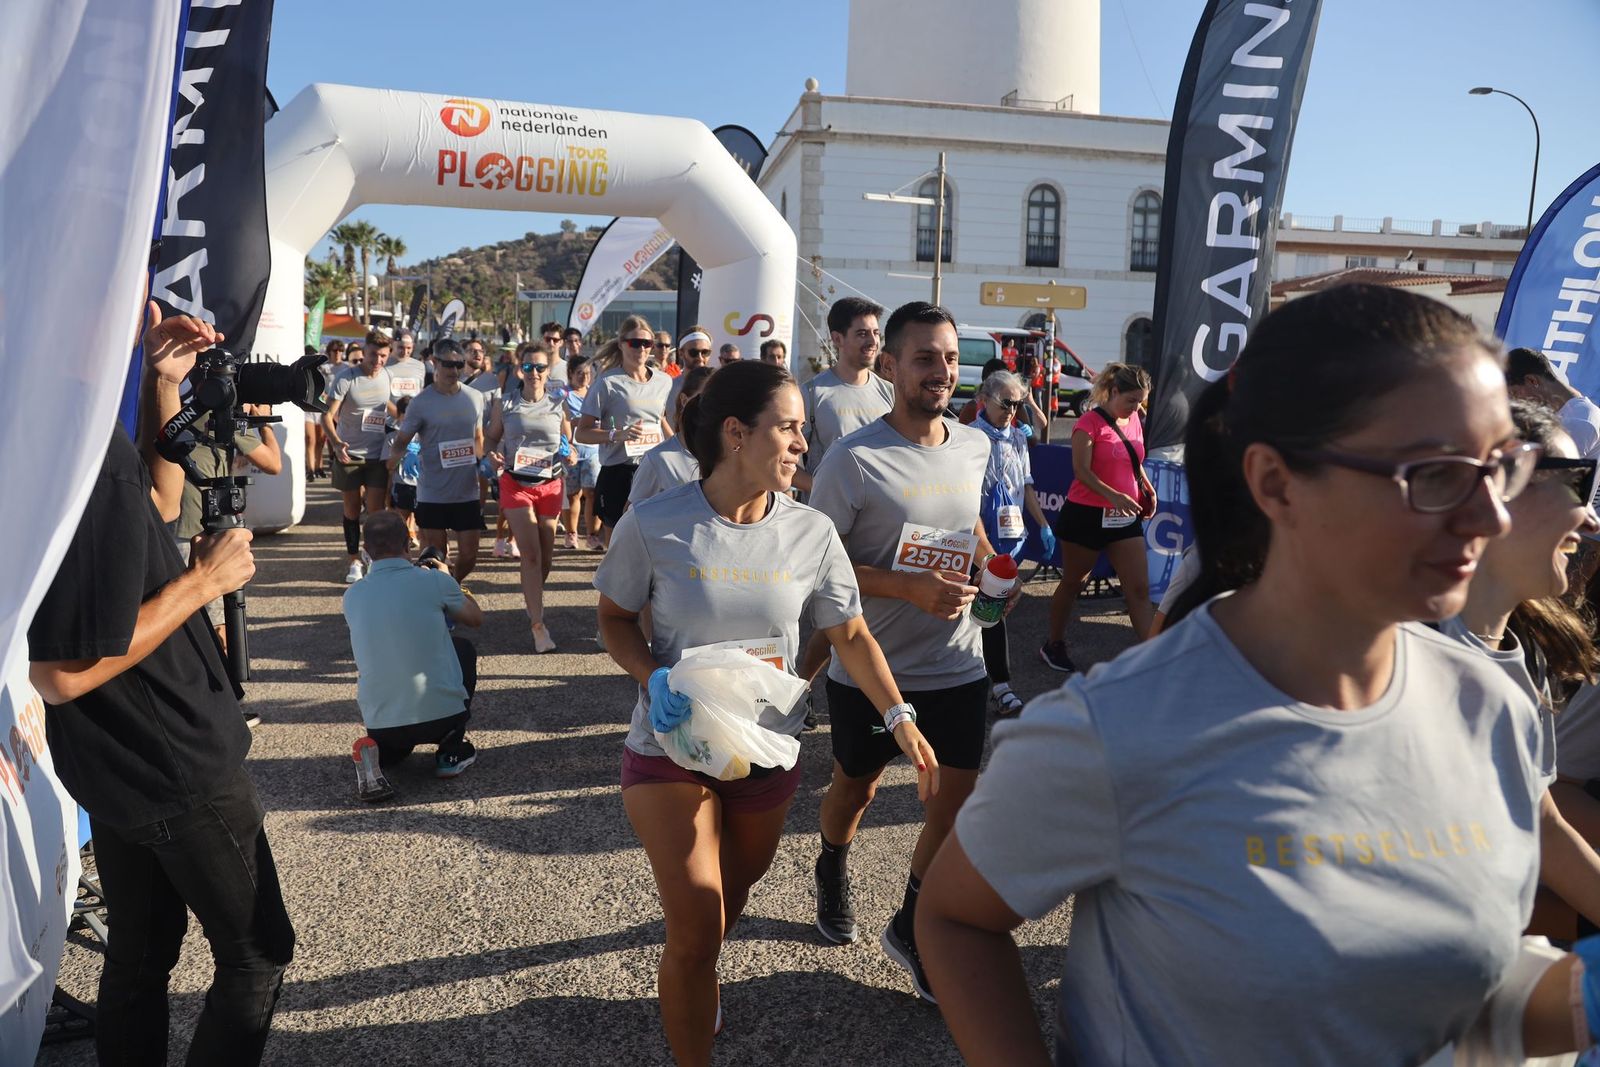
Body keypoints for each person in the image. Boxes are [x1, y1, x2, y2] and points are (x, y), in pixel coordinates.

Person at [915, 284, 1586, 1065]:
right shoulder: (1125, 728)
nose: (1491, 516)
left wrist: (1580, 996)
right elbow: (957, 916)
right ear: (1277, 483)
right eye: (1435, 474)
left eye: (1499, 468)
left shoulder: (1492, 704)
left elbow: (1459, 999)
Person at [594, 360, 935, 1066]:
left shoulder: (811, 533)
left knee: (727, 904)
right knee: (691, 926)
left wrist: (897, 714)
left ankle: (697, 976)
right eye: (789, 428)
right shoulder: (654, 523)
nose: (802, 445)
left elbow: (851, 635)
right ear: (735, 433)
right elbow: (614, 618)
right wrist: (650, 674)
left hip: (764, 750)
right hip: (669, 746)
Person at [28, 302, 295, 1065]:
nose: (150, 309)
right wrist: (202, 580)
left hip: (119, 763)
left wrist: (163, 385)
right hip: (173, 755)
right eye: (132, 295)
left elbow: (157, 506)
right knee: (258, 952)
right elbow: (61, 672)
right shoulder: (67, 449)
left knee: (141, 957)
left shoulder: (57, 427)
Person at [806, 301, 1010, 1002]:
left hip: (958, 662)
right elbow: (813, 565)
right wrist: (904, 586)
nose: (942, 371)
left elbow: (969, 521)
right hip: (873, 672)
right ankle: (831, 859)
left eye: (951, 357)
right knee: (854, 790)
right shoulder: (852, 459)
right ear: (889, 365)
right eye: (925, 357)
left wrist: (990, 570)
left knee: (953, 808)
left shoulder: (975, 444)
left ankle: (912, 926)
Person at [1441, 400, 1600, 940]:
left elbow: (1544, 825)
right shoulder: (1396, 648)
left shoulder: (1520, 650)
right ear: (1499, 490)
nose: (1591, 517)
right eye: (1578, 483)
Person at [343, 512, 484, 802]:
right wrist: (450, 579)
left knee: (394, 755)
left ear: (367, 551)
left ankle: (377, 753)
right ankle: (450, 751)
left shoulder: (353, 595)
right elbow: (475, 618)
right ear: (409, 544)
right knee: (463, 649)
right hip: (440, 720)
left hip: (384, 724)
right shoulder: (434, 581)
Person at [1039, 363, 1156, 673]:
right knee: (1074, 583)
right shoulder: (1088, 424)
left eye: (1141, 401)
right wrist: (1114, 495)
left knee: (1139, 589)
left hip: (1123, 516)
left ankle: (1155, 662)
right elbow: (1082, 472)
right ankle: (1053, 643)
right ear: (1113, 391)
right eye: (1131, 400)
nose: (1136, 408)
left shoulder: (1134, 420)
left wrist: (1146, 485)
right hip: (1086, 515)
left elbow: (1135, 458)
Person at [970, 371, 1053, 717]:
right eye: (1005, 402)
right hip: (976, 538)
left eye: (1017, 404)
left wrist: (1044, 524)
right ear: (984, 399)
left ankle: (997, 686)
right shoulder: (970, 438)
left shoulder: (1019, 436)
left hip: (1009, 538)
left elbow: (1027, 485)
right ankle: (993, 684)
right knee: (975, 608)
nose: (1011, 410)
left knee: (993, 609)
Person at [486, 343, 572, 652]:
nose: (534, 373)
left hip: (550, 484)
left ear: (549, 371)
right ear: (520, 370)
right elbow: (491, 439)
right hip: (515, 483)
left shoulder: (558, 405)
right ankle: (539, 626)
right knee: (531, 554)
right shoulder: (505, 403)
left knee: (545, 557)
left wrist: (571, 454)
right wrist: (492, 456)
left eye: (540, 367)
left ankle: (531, 593)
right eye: (528, 367)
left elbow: (568, 444)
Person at [387, 338, 487, 583]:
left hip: (466, 491)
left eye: (459, 365)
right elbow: (401, 440)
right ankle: (443, 596)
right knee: (434, 554)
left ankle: (452, 585)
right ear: (434, 363)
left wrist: (484, 461)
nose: (454, 371)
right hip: (433, 492)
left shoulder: (474, 397)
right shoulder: (421, 403)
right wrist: (395, 463)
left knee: (470, 554)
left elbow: (478, 437)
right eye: (448, 365)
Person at [576, 316, 674, 545]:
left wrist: (678, 449)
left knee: (653, 539)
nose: (641, 349)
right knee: (618, 542)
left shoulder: (664, 381)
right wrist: (616, 434)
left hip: (654, 468)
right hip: (619, 471)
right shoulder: (607, 382)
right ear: (621, 343)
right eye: (635, 343)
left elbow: (661, 420)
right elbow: (582, 433)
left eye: (647, 344)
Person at [796, 296, 892, 494]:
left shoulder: (890, 393)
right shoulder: (811, 394)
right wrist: (827, 491)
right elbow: (784, 462)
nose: (873, 341)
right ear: (837, 338)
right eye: (862, 334)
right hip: (828, 518)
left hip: (879, 517)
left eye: (876, 333)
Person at [323, 330, 395, 583]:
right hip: (349, 454)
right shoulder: (347, 378)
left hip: (377, 455)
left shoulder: (388, 376)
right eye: (373, 354)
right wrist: (336, 443)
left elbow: (391, 408)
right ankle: (354, 561)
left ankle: (373, 557)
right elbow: (326, 415)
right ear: (364, 352)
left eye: (383, 355)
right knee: (352, 509)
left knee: (376, 512)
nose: (378, 360)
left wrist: (406, 423)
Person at [629, 366, 714, 506]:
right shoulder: (658, 459)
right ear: (684, 400)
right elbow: (631, 516)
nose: (714, 406)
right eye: (706, 398)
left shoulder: (730, 454)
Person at [1508, 346, 1600, 460]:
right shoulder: (1570, 413)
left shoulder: (1581, 418)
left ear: (1532, 381)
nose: (1516, 403)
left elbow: (1561, 474)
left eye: (1514, 394)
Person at [562, 355, 604, 551]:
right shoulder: (563, 395)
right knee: (573, 494)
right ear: (570, 374)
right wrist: (576, 422)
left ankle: (593, 536)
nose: (584, 377)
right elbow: (561, 421)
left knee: (592, 492)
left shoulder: (596, 394)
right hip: (571, 451)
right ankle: (571, 534)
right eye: (579, 373)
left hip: (593, 450)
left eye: (587, 373)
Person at [959, 357, 1048, 437]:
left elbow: (1036, 434)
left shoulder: (1014, 405)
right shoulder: (971, 408)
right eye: (1005, 403)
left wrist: (1030, 402)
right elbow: (962, 442)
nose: (1010, 410)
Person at [667, 326, 714, 412]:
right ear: (681, 353)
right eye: (693, 352)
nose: (700, 358)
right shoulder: (668, 388)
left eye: (705, 352)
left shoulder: (717, 386)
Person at [387, 326, 426, 402]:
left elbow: (420, 392)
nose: (405, 352)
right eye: (401, 347)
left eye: (409, 348)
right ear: (392, 343)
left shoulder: (419, 366)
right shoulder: (382, 364)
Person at [542, 321, 572, 388]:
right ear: (543, 340)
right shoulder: (535, 367)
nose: (551, 343)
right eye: (548, 339)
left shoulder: (568, 368)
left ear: (561, 342)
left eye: (555, 340)